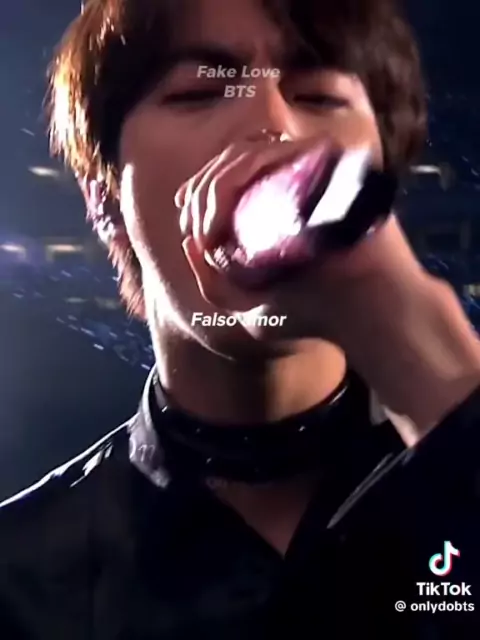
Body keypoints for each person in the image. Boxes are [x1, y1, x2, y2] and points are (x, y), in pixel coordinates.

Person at [1, 0, 480, 637]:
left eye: (319, 95)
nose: (273, 124)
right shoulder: (18, 579)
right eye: (199, 92)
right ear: (104, 196)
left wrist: (436, 375)